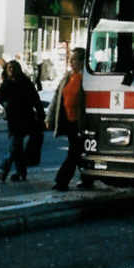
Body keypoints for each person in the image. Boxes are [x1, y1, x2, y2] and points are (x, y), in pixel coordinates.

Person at [46, 48, 91, 191]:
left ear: (83, 61)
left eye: (75, 59)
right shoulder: (67, 77)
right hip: (68, 120)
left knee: (74, 152)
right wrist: (50, 117)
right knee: (76, 152)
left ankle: (62, 181)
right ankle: (87, 178)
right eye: (70, 59)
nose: (71, 62)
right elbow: (57, 98)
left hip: (79, 121)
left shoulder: (87, 78)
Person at [0, 60, 45, 182]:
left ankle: (3, 170)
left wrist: (41, 114)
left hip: (26, 118)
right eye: (9, 68)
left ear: (18, 69)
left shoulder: (25, 82)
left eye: (13, 68)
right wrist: (6, 104)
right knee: (17, 148)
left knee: (14, 147)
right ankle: (21, 172)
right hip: (13, 119)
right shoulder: (6, 83)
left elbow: (35, 99)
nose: (11, 70)